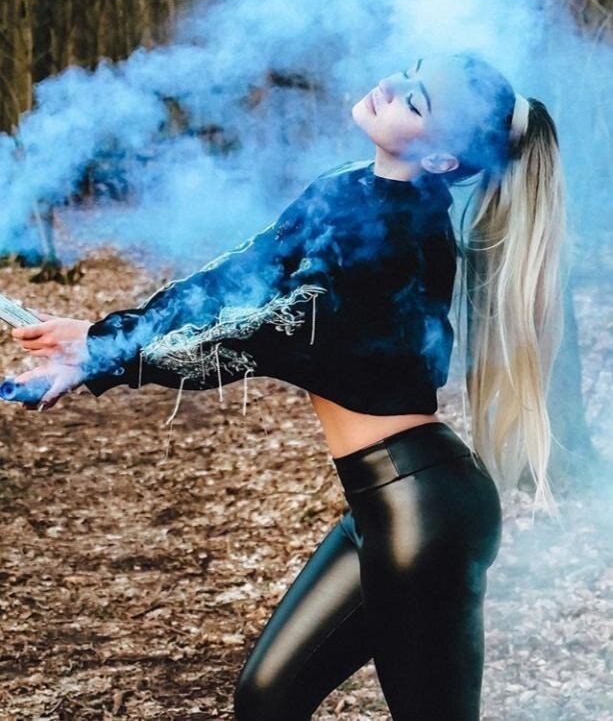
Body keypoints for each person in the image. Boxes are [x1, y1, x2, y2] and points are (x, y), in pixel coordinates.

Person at [11, 51, 567, 719]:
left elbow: (263, 333)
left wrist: (105, 357)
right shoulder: (346, 189)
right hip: (383, 505)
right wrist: (100, 339)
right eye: (410, 71)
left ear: (443, 158)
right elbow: (233, 281)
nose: (392, 84)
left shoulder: (405, 236)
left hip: (423, 512)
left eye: (416, 101)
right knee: (267, 699)